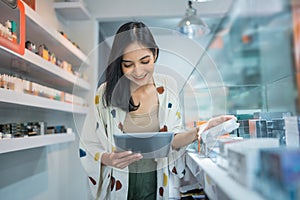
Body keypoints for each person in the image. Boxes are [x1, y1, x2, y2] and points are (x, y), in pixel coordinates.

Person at [79, 21, 236, 200]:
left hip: (157, 182)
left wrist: (200, 130)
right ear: (119, 63)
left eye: (144, 61)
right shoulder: (105, 93)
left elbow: (173, 139)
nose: (138, 71)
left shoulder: (168, 87)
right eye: (128, 64)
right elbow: (88, 143)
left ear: (154, 54)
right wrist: (107, 158)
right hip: (119, 184)